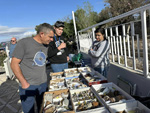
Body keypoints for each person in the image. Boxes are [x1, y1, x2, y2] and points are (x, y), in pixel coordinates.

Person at [10, 23, 54, 113]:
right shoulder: (24, 43)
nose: (51, 39)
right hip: (28, 85)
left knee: (43, 109)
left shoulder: (46, 45)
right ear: (42, 34)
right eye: (50, 37)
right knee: (29, 111)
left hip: (42, 84)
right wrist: (24, 83)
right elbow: (14, 64)